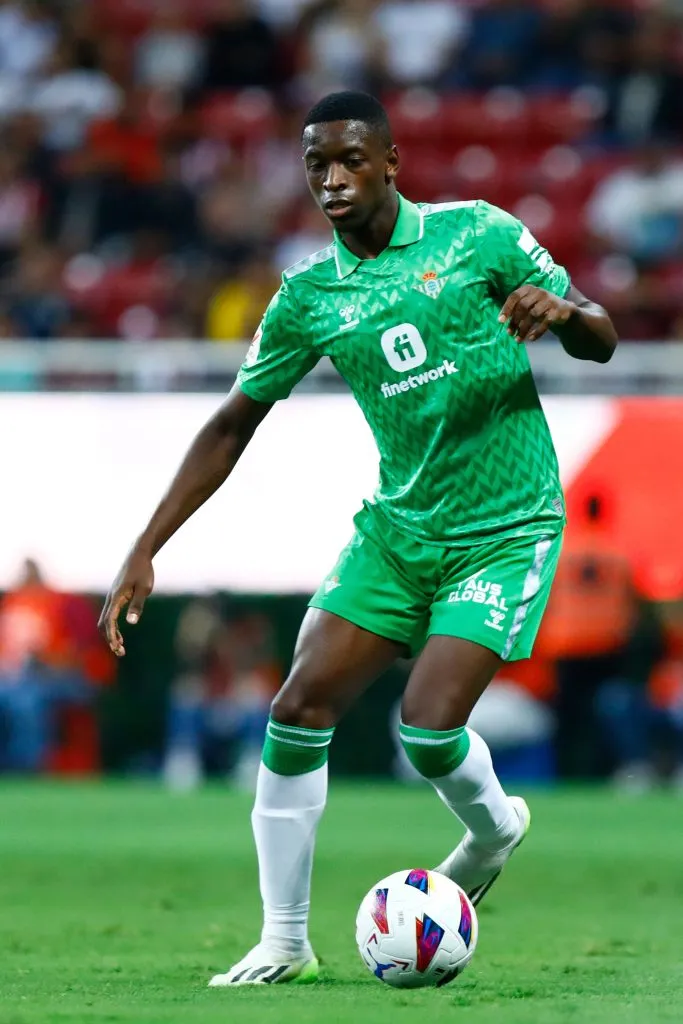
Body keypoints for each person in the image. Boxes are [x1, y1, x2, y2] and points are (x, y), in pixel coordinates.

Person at [99, 91, 617, 986]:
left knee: (423, 729)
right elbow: (232, 424)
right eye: (315, 166)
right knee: (296, 710)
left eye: (347, 160)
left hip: (505, 525)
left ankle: (492, 830)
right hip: (397, 528)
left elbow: (601, 337)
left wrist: (563, 313)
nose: (331, 180)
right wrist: (146, 545)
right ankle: (285, 940)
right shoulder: (309, 296)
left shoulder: (478, 235)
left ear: (389, 162)